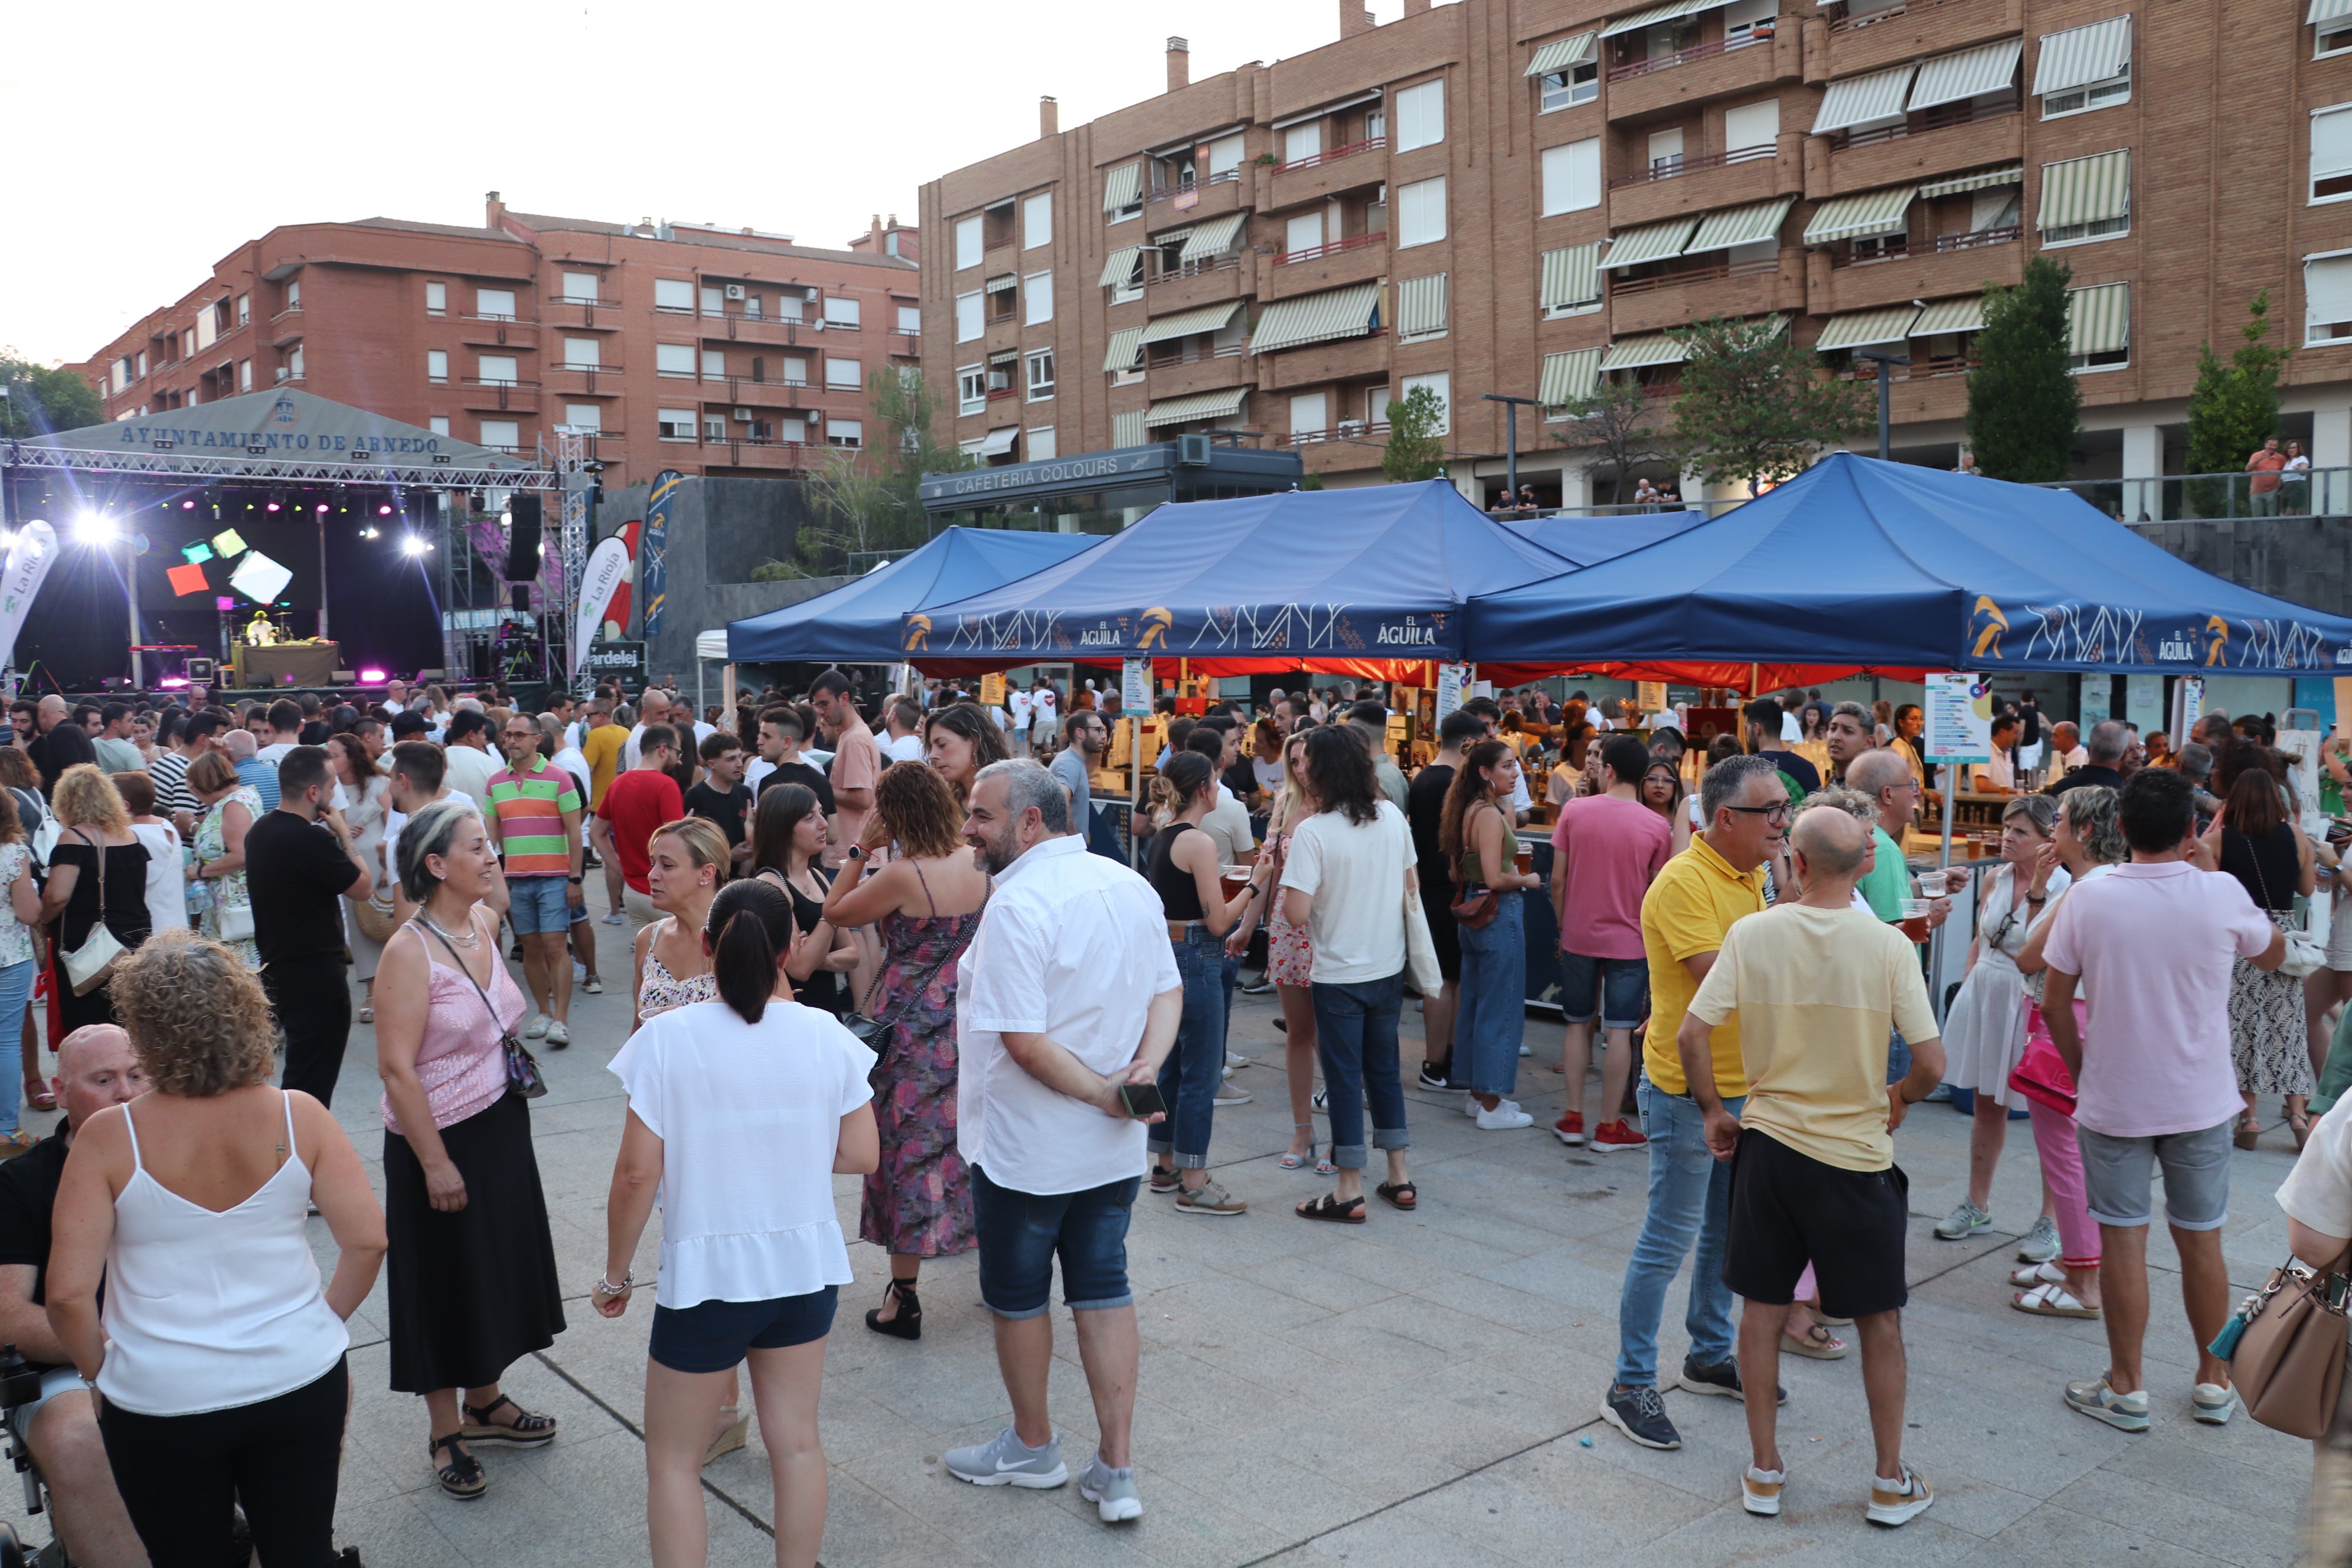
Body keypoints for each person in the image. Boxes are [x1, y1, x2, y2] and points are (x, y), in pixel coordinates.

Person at [45, 935, 386, 1564]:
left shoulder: (109, 1137)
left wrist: (102, 1372)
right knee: (302, 1551)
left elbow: (67, 1294)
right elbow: (367, 1241)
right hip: (299, 1374)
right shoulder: (299, 1115)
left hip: (161, 1394)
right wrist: (315, 1321)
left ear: (142, 1026)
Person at [596, 878, 878, 1568]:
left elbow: (636, 1176)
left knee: (673, 1462)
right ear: (789, 949)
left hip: (708, 1278)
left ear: (705, 946)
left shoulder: (666, 1040)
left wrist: (615, 1274)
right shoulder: (826, 1034)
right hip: (805, 1269)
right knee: (798, 1442)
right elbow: (863, 1152)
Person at [1682, 805, 1943, 1526]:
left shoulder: (1753, 933)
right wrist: (1898, 1098)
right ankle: (1889, 1480)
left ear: (1793, 863)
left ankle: (1764, 1470)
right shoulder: (1888, 945)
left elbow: (1692, 1033)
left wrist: (1713, 1111)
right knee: (1879, 1322)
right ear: (1864, 863)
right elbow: (1931, 1063)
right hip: (1856, 1158)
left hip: (1769, 1149)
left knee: (1761, 1314)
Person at [943, 760, 1179, 1523]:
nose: (968, 831)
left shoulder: (1018, 905)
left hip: (1028, 1152)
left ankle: (1033, 1446)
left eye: (980, 816)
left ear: (1031, 822)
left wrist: (1112, 1090)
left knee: (1018, 1300)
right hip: (1107, 1152)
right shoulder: (1128, 884)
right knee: (1105, 1289)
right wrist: (1144, 1070)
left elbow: (1022, 1041)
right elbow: (1166, 993)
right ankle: (1118, 1468)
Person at [2040, 767, 2283, 1432]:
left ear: (2120, 829)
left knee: (2123, 1239)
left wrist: (2083, 1067)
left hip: (2115, 1094)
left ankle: (2127, 1385)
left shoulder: (2092, 897)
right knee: (2202, 1241)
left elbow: (2055, 999)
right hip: (2201, 1095)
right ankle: (2213, 1379)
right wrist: (2207, 865)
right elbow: (2275, 955)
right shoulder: (2220, 891)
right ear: (2187, 829)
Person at [374, 799, 567, 1500]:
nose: (491, 857)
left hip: (499, 1123)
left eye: (490, 845)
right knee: (442, 1278)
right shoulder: (407, 950)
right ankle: (444, 1428)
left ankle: (485, 1401)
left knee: (490, 1267)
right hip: (438, 1137)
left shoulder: (485, 920)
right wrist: (434, 1161)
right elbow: (396, 1067)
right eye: (477, 848)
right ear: (435, 865)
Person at [1603, 754, 1784, 1452]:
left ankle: (1708, 1353)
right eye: (1769, 811)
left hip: (1745, 1084)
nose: (1782, 821)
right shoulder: (1684, 881)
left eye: (1784, 808)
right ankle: (1629, 1382)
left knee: (1724, 1232)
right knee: (1667, 1239)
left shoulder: (1752, 873)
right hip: (1690, 1091)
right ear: (1725, 818)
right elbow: (1725, 982)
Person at [822, 760, 989, 1332]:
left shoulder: (902, 874)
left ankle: (904, 1298)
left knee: (905, 1153)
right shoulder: (977, 861)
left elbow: (834, 911)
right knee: (968, 1141)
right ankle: (997, 1265)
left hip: (910, 1025)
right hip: (966, 1016)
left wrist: (859, 851)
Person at [0, 1024, 148, 1564]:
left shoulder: (184, 1155)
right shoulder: (21, 1183)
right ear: (60, 1093)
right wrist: (112, 1348)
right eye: (104, 1080)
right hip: (69, 1364)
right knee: (80, 1439)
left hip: (183, 1342)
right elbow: (8, 1314)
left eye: (136, 1075)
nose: (126, 1093)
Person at [1281, 726, 1417, 1223]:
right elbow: (1410, 884)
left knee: (1342, 1078)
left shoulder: (1314, 832)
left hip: (1338, 971)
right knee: (1384, 1071)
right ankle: (1399, 1176)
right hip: (1387, 965)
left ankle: (1349, 1186)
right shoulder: (1393, 818)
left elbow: (1296, 913)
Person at [1932, 794, 2065, 1242]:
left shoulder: (2067, 888)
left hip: (2029, 998)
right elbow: (1981, 938)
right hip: (1988, 991)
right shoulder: (1994, 878)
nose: (2007, 837)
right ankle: (1977, 1203)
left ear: (2049, 840)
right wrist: (1971, 981)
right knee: (1987, 1106)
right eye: (2007, 828)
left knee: (2050, 1116)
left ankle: (2052, 1219)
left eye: (2020, 831)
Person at [1135, 752, 1256, 1215]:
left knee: (1172, 1063)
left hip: (1169, 953)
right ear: (1204, 788)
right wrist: (1254, 885)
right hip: (1198, 954)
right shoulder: (1199, 842)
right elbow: (1219, 920)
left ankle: (1165, 1163)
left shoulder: (1166, 837)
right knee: (1201, 1072)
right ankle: (1194, 1179)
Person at [1551, 734, 1671, 1149]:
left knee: (1576, 1023)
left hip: (1580, 933)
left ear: (1609, 770)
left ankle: (1572, 1116)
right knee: (1620, 1031)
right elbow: (1660, 889)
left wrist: (1564, 927)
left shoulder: (1575, 811)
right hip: (1631, 940)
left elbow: (1557, 880)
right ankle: (1608, 1126)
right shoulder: (1657, 825)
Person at [244, 747, 373, 1106]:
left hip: (276, 969)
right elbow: (363, 887)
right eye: (331, 787)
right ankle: (296, 1151)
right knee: (309, 1087)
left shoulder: (260, 831)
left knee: (299, 1075)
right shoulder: (312, 839)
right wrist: (344, 834)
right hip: (317, 978)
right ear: (314, 793)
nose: (334, 795)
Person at [2213, 758, 2316, 1148]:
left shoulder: (2223, 840)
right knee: (2286, 1029)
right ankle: (2298, 1115)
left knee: (2241, 1027)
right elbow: (2307, 889)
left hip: (2240, 937)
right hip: (2283, 940)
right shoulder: (2296, 836)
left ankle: (2250, 1119)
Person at [1441, 739, 1543, 1131]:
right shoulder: (1487, 815)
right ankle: (1491, 1102)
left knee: (1477, 1006)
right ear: (1485, 773)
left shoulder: (1468, 811)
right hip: (1499, 914)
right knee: (1500, 1010)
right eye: (1507, 766)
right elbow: (1498, 877)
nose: (1515, 773)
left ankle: (1477, 1095)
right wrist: (1529, 879)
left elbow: (1456, 873)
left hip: (1473, 913)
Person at [488, 715, 586, 1048]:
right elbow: (491, 836)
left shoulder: (560, 779)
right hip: (516, 878)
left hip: (554, 877)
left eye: (519, 735)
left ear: (537, 739)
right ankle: (543, 1012)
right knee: (530, 948)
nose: (511, 740)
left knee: (556, 946)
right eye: (507, 735)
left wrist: (575, 878)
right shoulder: (495, 783)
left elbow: (575, 832)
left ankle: (562, 1019)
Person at [42, 766, 152, 1037]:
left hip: (90, 945)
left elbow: (58, 895)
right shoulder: (132, 837)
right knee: (128, 1020)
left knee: (89, 1024)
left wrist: (42, 918)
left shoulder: (74, 838)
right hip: (134, 939)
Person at [1407, 711, 1484, 1090]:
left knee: (1448, 979)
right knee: (1442, 982)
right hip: (1445, 890)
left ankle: (1445, 1058)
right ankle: (1435, 1063)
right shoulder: (1452, 782)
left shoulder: (1423, 778)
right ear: (1468, 744)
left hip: (1430, 888)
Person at [749, 785, 859, 1017]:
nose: (824, 823)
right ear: (783, 827)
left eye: (821, 813)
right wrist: (832, 914)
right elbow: (800, 969)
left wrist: (816, 955)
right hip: (796, 1014)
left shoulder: (817, 877)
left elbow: (852, 955)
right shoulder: (770, 883)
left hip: (827, 1011)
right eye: (810, 818)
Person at [631, 818, 726, 1030]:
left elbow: (779, 1022)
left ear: (706, 873)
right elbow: (638, 1029)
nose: (652, 876)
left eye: (667, 865)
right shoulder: (649, 939)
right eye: (653, 864)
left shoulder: (744, 937)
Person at [326, 731, 393, 1023]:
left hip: (381, 865)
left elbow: (393, 825)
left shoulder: (380, 783)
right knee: (360, 927)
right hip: (351, 864)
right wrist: (338, 830)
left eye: (335, 754)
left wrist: (390, 865)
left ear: (351, 756)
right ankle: (372, 991)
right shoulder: (329, 790)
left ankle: (397, 988)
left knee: (389, 925)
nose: (330, 760)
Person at [595, 723, 688, 927]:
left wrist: (620, 869)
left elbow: (596, 831)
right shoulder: (666, 785)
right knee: (673, 957)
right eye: (677, 752)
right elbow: (677, 841)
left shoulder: (617, 784)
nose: (679, 761)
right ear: (663, 749)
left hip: (633, 892)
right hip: (663, 890)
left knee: (645, 958)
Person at [809, 670, 879, 865]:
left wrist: (822, 789)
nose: (821, 712)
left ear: (844, 699)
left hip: (853, 855)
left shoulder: (855, 739)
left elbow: (864, 798)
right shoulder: (851, 735)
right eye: (818, 706)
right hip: (854, 853)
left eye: (824, 704)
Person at [113, 770, 187, 942]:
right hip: (178, 926)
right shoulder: (166, 825)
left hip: (151, 931)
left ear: (125, 806)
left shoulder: (130, 836)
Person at [685, 731, 755, 878]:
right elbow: (693, 847)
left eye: (740, 757)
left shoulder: (745, 792)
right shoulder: (696, 796)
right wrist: (730, 855)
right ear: (712, 764)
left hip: (744, 876)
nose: (739, 764)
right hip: (712, 878)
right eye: (731, 759)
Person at [923, 701, 1010, 813]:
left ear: (975, 743)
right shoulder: (943, 806)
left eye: (942, 744)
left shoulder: (1013, 800)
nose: (932, 755)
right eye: (932, 747)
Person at [752, 706, 835, 813]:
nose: (759, 741)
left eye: (767, 736)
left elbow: (769, 829)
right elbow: (833, 828)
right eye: (760, 735)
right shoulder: (823, 781)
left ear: (787, 742)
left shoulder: (771, 784)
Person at [2046, 719, 2129, 797]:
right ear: (2125, 756)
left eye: (2056, 736)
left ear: (2089, 750)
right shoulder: (2125, 795)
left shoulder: (2062, 789)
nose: (2051, 740)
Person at [1974, 713, 2021, 794]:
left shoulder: (2007, 753)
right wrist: (2014, 791)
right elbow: (1982, 785)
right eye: (2015, 733)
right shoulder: (1984, 751)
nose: (2017, 737)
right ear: (2002, 732)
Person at [2248, 435, 2289, 515]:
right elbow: (2248, 468)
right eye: (2271, 445)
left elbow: (2286, 472)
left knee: (2272, 517)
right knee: (2257, 518)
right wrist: (2260, 459)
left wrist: (2281, 485)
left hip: (2273, 491)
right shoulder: (2256, 455)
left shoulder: (2281, 458)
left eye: (2275, 445)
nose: (2273, 447)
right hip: (2256, 491)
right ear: (2266, 445)